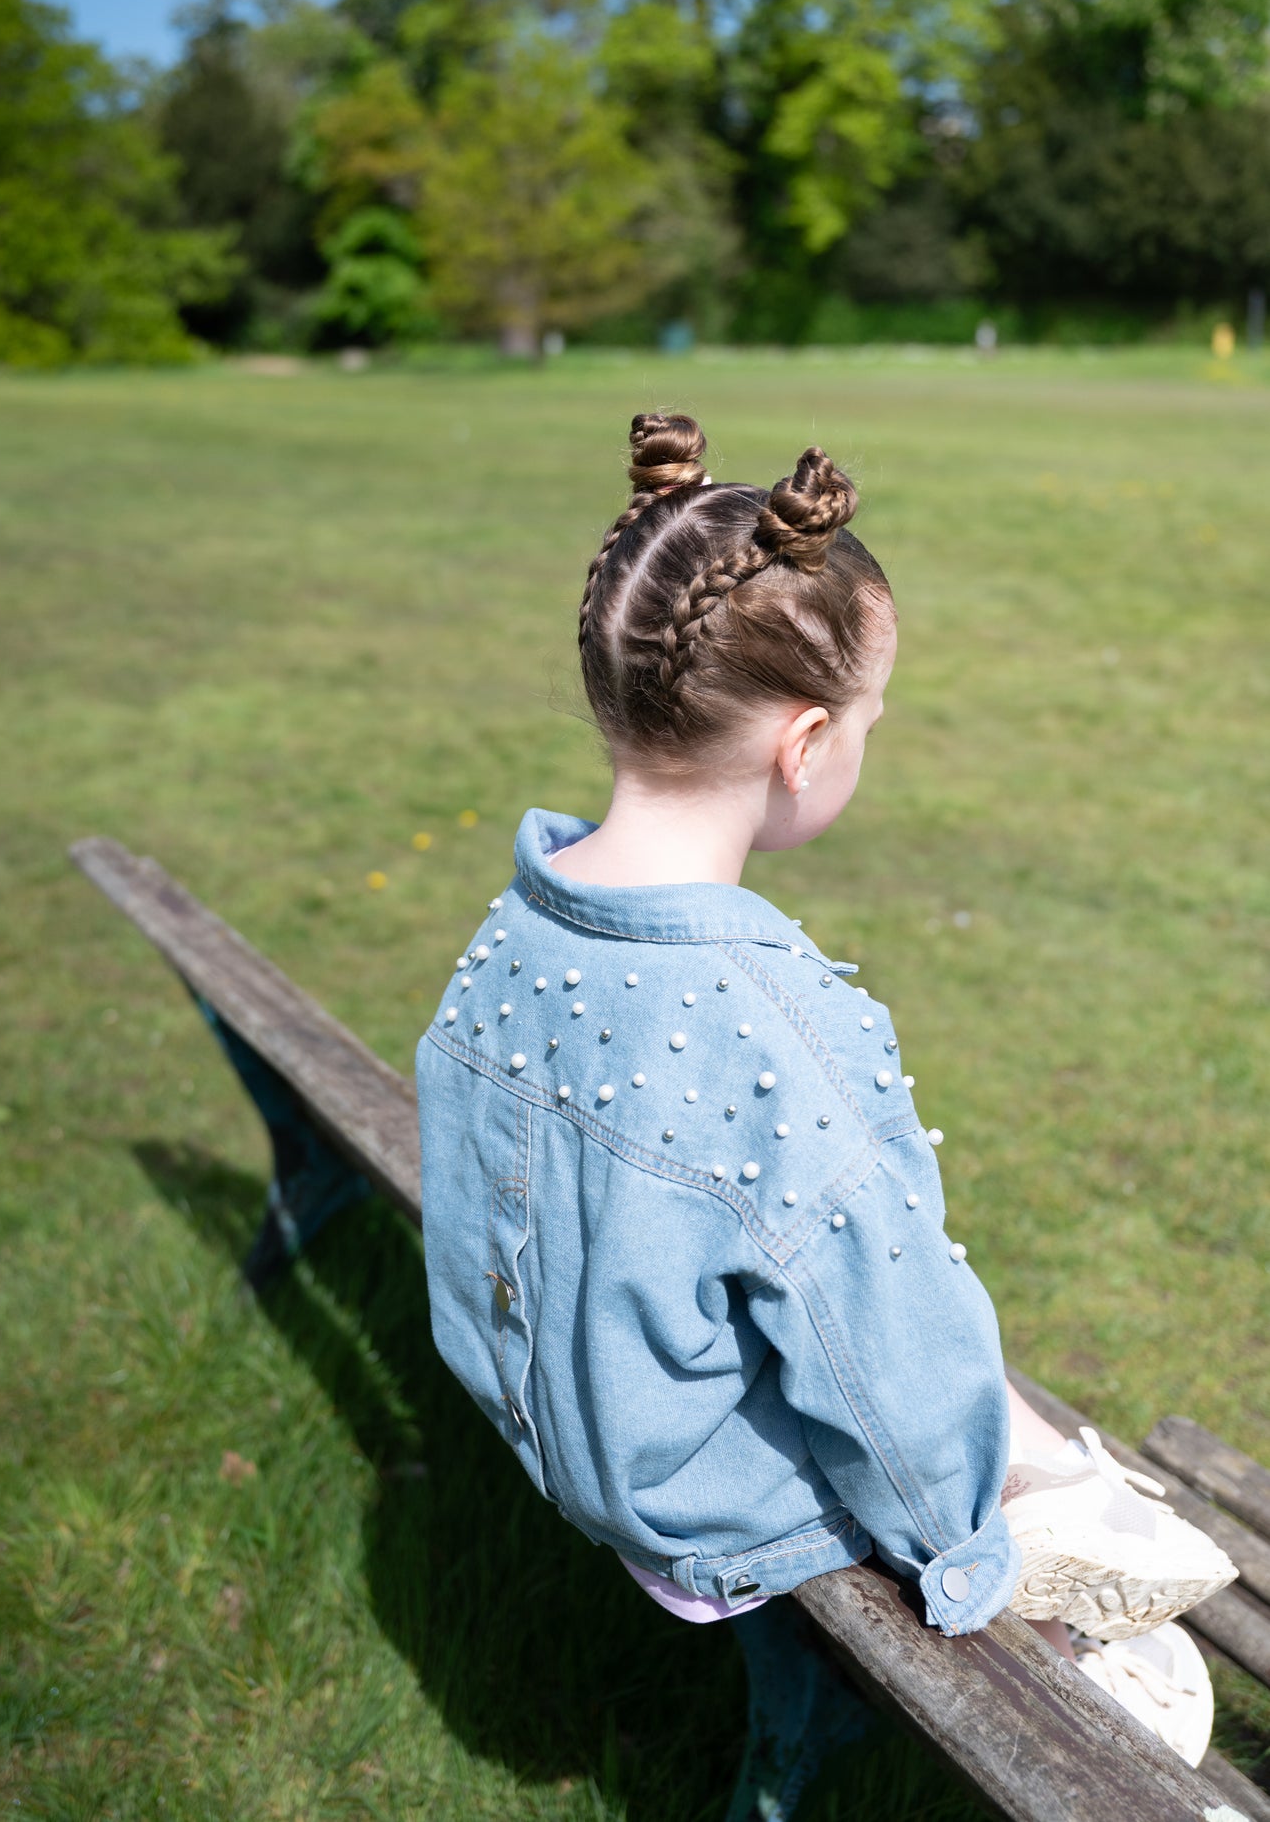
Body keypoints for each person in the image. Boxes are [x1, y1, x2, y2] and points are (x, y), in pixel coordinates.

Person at [415, 413, 1233, 1798]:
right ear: (803, 743)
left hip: (565, 1432)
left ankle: (1062, 1472)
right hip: (704, 1507)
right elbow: (877, 1362)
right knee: (1133, 1632)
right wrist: (969, 1559)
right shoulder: (774, 1031)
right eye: (869, 718)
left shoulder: (522, 920)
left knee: (1024, 1430)